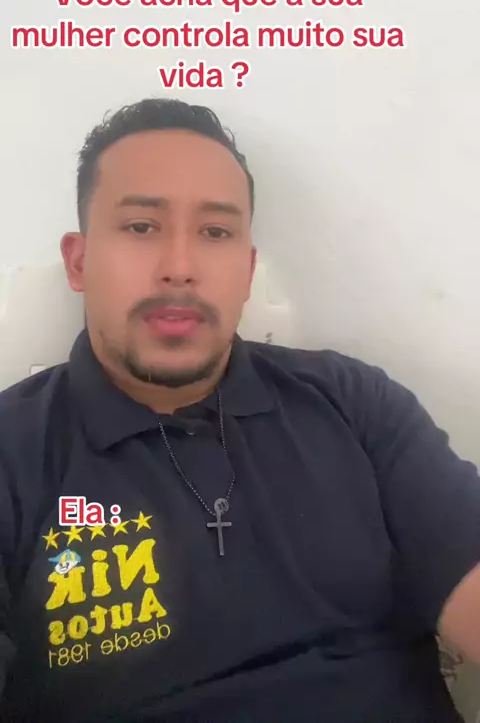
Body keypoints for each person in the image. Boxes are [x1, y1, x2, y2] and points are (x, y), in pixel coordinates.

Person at [0, 98, 478, 723]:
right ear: (79, 262)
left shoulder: (355, 403)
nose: (180, 268)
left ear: (248, 270)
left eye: (216, 233)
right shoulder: (13, 453)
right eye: (141, 227)